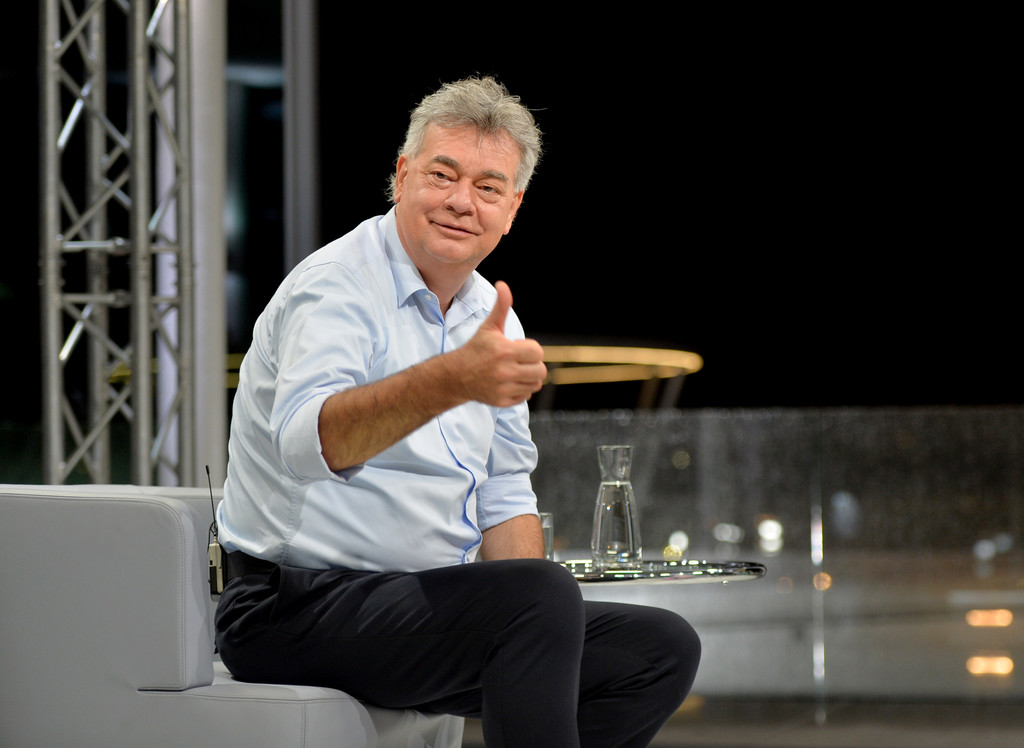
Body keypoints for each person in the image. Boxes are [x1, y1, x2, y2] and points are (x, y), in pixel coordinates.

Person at [214, 76, 701, 747]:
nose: (461, 201)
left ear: (512, 209)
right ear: (402, 177)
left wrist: (535, 610)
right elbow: (306, 445)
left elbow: (505, 494)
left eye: (488, 187)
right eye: (442, 175)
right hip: (291, 609)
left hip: (418, 608)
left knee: (658, 648)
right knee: (539, 601)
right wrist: (450, 381)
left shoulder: (489, 317)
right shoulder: (337, 287)